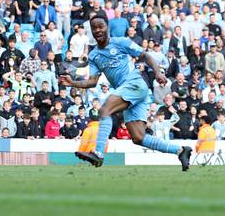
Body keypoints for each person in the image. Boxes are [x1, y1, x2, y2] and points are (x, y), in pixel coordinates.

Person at [60, 14, 192, 170]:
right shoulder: (94, 55)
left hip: (134, 84)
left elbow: (144, 55)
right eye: (94, 27)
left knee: (104, 111)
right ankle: (180, 150)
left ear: (107, 27)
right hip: (128, 93)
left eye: (100, 26)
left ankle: (99, 153)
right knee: (138, 137)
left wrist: (157, 72)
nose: (97, 30)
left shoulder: (120, 42)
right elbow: (93, 81)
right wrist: (73, 82)